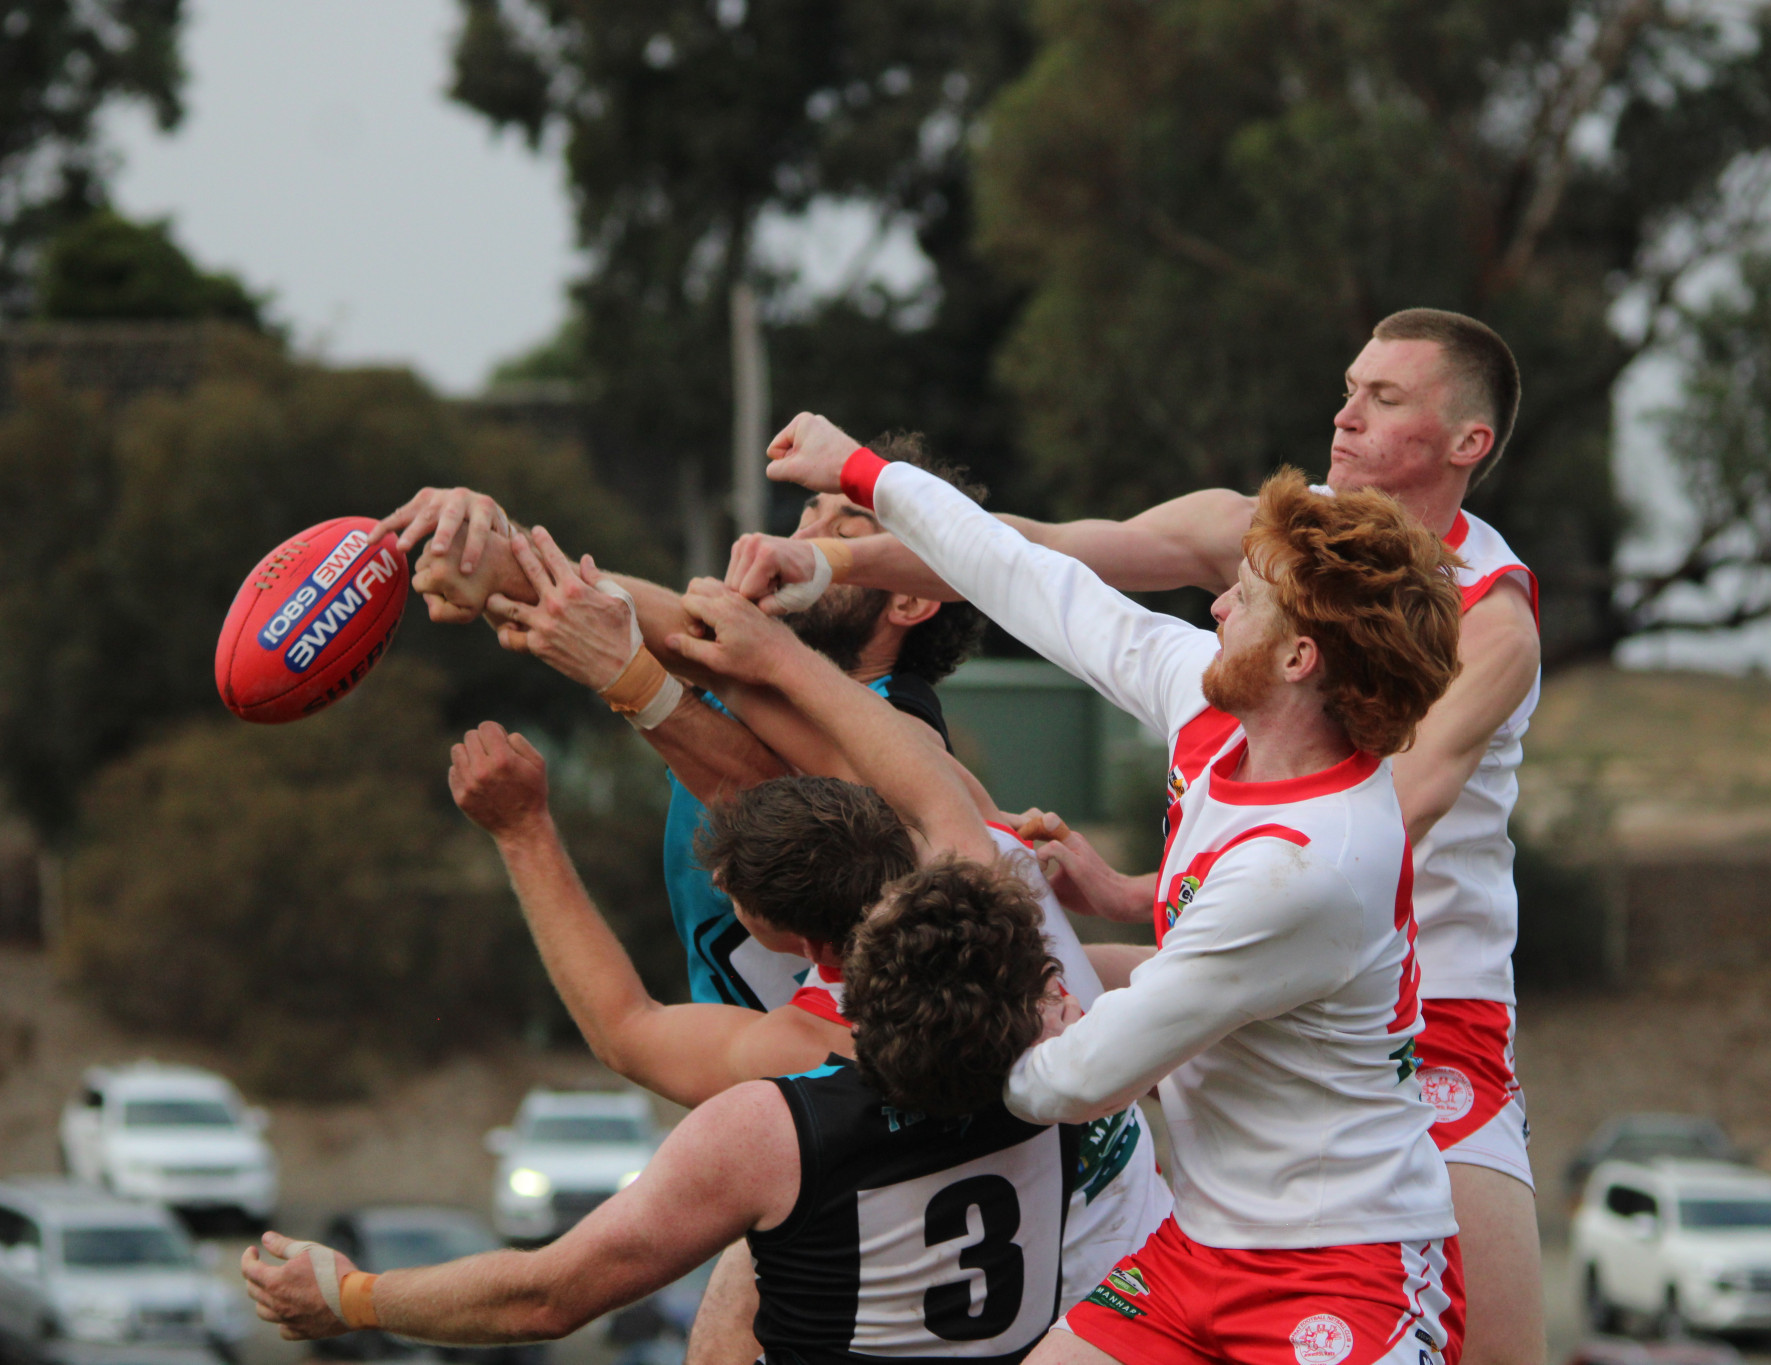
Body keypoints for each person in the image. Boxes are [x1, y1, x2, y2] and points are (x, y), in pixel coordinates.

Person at [728, 309, 1544, 1365]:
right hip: (1211, 1203)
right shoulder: (1226, 684)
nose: (1213, 605)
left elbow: (1378, 826)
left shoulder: (1457, 666)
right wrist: (849, 531)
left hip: (1411, 1062)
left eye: (1383, 399)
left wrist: (1004, 1036)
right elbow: (1041, 569)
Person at [436, 537, 1169, 1361]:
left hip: (1074, 1284)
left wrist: (530, 820)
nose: (801, 540)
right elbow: (876, 763)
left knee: (737, 1287)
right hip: (1108, 1234)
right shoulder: (986, 860)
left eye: (842, 526)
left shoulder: (815, 1041)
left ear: (793, 937)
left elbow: (624, 1028)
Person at [243, 859, 1082, 1365]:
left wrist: (351, 1296)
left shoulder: (769, 1131)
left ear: (861, 997)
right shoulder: (1072, 1071)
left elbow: (544, 1297)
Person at [375, 433, 986, 1015]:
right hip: (756, 1072)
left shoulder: (905, 726)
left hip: (853, 1091)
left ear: (909, 598)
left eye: (846, 530)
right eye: (809, 514)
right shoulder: (752, 675)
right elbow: (634, 616)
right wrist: (490, 543)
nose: (804, 539)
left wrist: (634, 682)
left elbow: (800, 814)